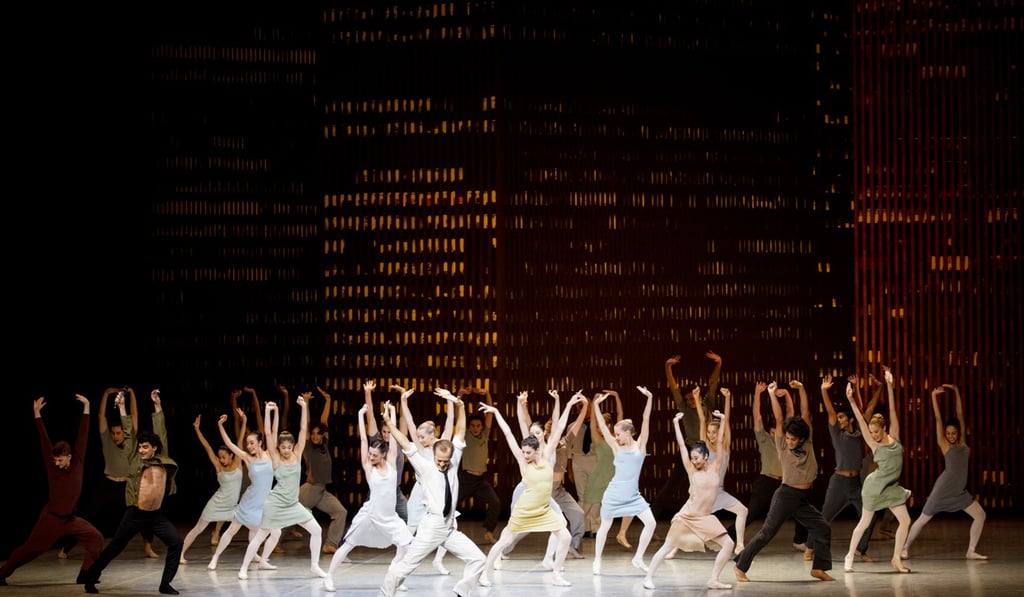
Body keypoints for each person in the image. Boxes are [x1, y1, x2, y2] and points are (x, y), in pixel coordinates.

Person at [378, 388, 486, 597]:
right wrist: (389, 423)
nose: (443, 464)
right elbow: (403, 440)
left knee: (479, 559)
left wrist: (460, 406)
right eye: (439, 461)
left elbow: (460, 431)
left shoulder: (453, 460)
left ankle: (460, 593)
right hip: (431, 525)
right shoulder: (424, 466)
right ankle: (383, 594)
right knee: (405, 567)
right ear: (434, 455)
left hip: (448, 526)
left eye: (446, 461)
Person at [79, 389, 184, 595]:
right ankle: (91, 577)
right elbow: (128, 430)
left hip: (156, 516)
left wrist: (157, 405)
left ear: (154, 448)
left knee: (176, 543)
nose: (142, 450)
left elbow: (160, 430)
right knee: (115, 547)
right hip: (135, 513)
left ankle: (165, 584)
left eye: (145, 447)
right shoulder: (135, 459)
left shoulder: (162, 458)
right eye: (140, 447)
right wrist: (122, 407)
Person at [477, 391, 583, 588]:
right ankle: (484, 573)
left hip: (543, 508)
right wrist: (496, 412)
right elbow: (508, 432)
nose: (524, 455)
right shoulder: (522, 462)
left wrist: (567, 405)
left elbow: (559, 426)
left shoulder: (546, 455)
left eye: (528, 452)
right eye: (523, 452)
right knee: (503, 542)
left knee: (565, 537)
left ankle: (556, 575)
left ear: (536, 450)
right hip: (524, 510)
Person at [733, 380, 834, 583]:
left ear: (802, 438)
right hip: (786, 494)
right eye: (787, 438)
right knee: (767, 533)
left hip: (801, 498)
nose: (789, 441)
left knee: (823, 527)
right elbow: (779, 419)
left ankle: (818, 568)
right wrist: (771, 394)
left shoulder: (808, 442)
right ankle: (740, 565)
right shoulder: (781, 444)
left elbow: (805, 413)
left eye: (793, 439)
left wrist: (801, 389)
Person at [0, 394, 103, 588]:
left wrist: (87, 407)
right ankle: (2, 573)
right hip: (51, 519)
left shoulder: (78, 461)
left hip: (70, 520)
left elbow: (83, 435)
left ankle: (85, 574)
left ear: (69, 456)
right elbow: (44, 440)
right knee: (31, 549)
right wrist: (37, 415)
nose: (56, 463)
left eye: (60, 459)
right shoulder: (52, 467)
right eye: (55, 460)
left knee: (96, 538)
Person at [323, 400, 414, 592]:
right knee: (348, 544)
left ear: (383, 454)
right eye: (370, 454)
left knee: (406, 545)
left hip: (389, 517)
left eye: (374, 455)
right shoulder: (368, 468)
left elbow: (396, 439)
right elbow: (363, 440)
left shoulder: (391, 463)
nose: (370, 457)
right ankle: (329, 576)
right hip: (371, 516)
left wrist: (390, 413)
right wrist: (360, 414)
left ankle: (396, 575)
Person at [238, 395, 328, 580]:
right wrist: (268, 411)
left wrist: (304, 406)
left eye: (289, 446)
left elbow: (304, 429)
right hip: (275, 504)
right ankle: (244, 568)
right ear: (279, 448)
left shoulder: (297, 454)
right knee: (260, 536)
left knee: (317, 530)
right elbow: (269, 433)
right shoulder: (276, 458)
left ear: (293, 446)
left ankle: (314, 566)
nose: (286, 450)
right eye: (283, 447)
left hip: (293, 504)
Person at [62, 386, 157, 560]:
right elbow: (100, 417)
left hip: (128, 484)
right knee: (88, 514)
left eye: (118, 433)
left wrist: (132, 394)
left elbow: (134, 415)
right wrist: (105, 394)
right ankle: (66, 548)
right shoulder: (107, 440)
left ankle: (148, 547)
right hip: (108, 483)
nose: (115, 436)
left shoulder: (131, 439)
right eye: (113, 433)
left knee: (143, 513)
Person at [643, 411, 734, 590]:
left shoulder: (716, 466)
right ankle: (648, 577)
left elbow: (721, 440)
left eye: (697, 458)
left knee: (729, 544)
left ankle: (713, 579)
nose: (693, 461)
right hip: (688, 516)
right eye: (692, 458)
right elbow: (681, 446)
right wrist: (676, 423)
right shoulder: (691, 470)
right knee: (668, 546)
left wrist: (723, 419)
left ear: (706, 456)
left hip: (706, 518)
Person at [902, 383, 987, 559]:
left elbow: (960, 414)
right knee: (923, 518)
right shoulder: (944, 445)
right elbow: (938, 419)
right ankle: (905, 547)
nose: (951, 436)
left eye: (953, 433)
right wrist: (933, 397)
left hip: (959, 492)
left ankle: (971, 551)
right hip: (942, 490)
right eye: (948, 433)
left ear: (959, 433)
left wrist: (956, 391)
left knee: (980, 515)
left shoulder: (963, 443)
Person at [799, 374, 875, 563]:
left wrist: (856, 389)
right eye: (839, 417)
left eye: (843, 417)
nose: (839, 420)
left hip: (855, 483)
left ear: (850, 419)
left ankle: (860, 549)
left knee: (870, 515)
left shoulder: (858, 434)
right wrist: (824, 391)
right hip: (839, 482)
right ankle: (810, 546)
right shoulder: (837, 434)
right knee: (824, 516)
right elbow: (831, 413)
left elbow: (860, 411)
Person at [844, 366, 912, 573]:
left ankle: (896, 560)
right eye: (871, 432)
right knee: (865, 522)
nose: (872, 435)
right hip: (874, 487)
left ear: (884, 429)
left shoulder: (895, 438)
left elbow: (893, 410)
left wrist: (890, 385)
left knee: (906, 521)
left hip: (890, 487)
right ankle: (849, 556)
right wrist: (851, 400)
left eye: (876, 432)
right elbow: (861, 423)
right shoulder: (874, 445)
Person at [591, 386, 657, 575]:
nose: (616, 436)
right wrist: (595, 405)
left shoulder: (640, 447)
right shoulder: (616, 447)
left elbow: (646, 420)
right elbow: (603, 428)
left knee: (651, 523)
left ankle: (638, 558)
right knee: (605, 526)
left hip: (633, 496)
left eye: (618, 433)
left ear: (628, 432)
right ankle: (597, 560)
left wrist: (650, 397)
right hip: (613, 494)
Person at [649, 352, 720, 520]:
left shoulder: (707, 404)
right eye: (687, 399)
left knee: (706, 486)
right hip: (689, 450)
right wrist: (668, 367)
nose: (690, 402)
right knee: (671, 486)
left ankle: (703, 519)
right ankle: (651, 520)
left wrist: (719, 364)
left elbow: (713, 383)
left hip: (706, 450)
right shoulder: (685, 409)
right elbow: (674, 389)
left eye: (691, 398)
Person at [207, 406, 274, 570]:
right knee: (232, 530)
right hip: (249, 501)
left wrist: (270, 411)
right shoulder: (246, 457)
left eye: (252, 443)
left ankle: (259, 557)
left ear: (260, 443)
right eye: (247, 443)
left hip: (263, 502)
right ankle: (215, 558)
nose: (249, 446)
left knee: (264, 530)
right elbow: (229, 444)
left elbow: (270, 431)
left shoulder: (270, 455)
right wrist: (221, 426)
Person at [398, 384, 455, 575]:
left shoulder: (441, 445)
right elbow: (410, 422)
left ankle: (438, 561)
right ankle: (400, 562)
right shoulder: (420, 448)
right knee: (411, 528)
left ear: (433, 433)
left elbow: (449, 423)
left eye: (423, 437)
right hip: (420, 490)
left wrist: (450, 400)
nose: (420, 439)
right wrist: (404, 402)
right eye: (419, 437)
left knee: (450, 524)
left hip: (438, 491)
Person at [179, 414, 243, 563]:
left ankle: (255, 554)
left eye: (223, 457)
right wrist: (197, 429)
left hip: (232, 507)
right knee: (198, 528)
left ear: (232, 455)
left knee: (252, 525)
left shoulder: (238, 462)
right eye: (219, 457)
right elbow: (207, 446)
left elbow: (239, 441)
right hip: (216, 504)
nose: (221, 459)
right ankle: (180, 553)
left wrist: (244, 420)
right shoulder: (218, 466)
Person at [297, 385, 349, 554]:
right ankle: (274, 541)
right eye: (313, 434)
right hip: (310, 490)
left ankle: (331, 544)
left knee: (341, 512)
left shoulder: (325, 444)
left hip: (321, 491)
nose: (315, 436)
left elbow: (324, 421)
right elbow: (305, 426)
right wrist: (305, 404)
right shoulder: (308, 447)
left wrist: (328, 400)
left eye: (318, 433)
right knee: (291, 515)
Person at [579, 391, 628, 545]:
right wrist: (594, 403)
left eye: (607, 423)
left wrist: (617, 396)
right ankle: (571, 533)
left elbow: (621, 415)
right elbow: (594, 421)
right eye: (603, 424)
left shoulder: (617, 440)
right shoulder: (598, 438)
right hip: (598, 477)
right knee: (586, 508)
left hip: (612, 478)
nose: (603, 426)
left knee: (611, 508)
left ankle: (617, 533)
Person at [457, 387, 501, 545]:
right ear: (469, 427)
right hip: (466, 478)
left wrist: (488, 394)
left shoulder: (485, 434)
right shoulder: (465, 435)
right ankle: (445, 532)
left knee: (495, 502)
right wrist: (460, 395)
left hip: (480, 480)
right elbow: (458, 415)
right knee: (451, 503)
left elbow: (489, 414)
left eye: (478, 425)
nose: (476, 428)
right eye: (473, 425)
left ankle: (489, 532)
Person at [566, 397, 595, 532]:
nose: (583, 408)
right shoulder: (572, 427)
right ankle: (584, 527)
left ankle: (595, 527)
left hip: (594, 460)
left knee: (596, 495)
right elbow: (567, 450)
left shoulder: (597, 426)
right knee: (582, 495)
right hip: (578, 460)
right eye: (579, 406)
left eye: (586, 406)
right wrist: (569, 469)